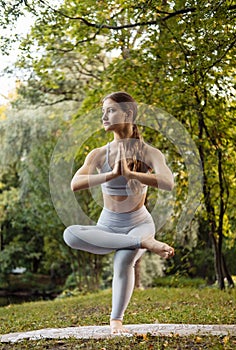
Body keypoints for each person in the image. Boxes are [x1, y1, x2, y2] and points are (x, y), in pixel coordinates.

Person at [63, 91, 175, 335]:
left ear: (128, 114)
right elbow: (75, 183)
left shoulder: (149, 153)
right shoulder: (98, 154)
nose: (104, 116)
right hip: (108, 227)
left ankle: (116, 321)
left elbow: (168, 182)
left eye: (110, 110)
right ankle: (144, 243)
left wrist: (132, 174)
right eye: (103, 111)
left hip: (139, 222)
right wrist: (111, 175)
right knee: (70, 234)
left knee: (124, 259)